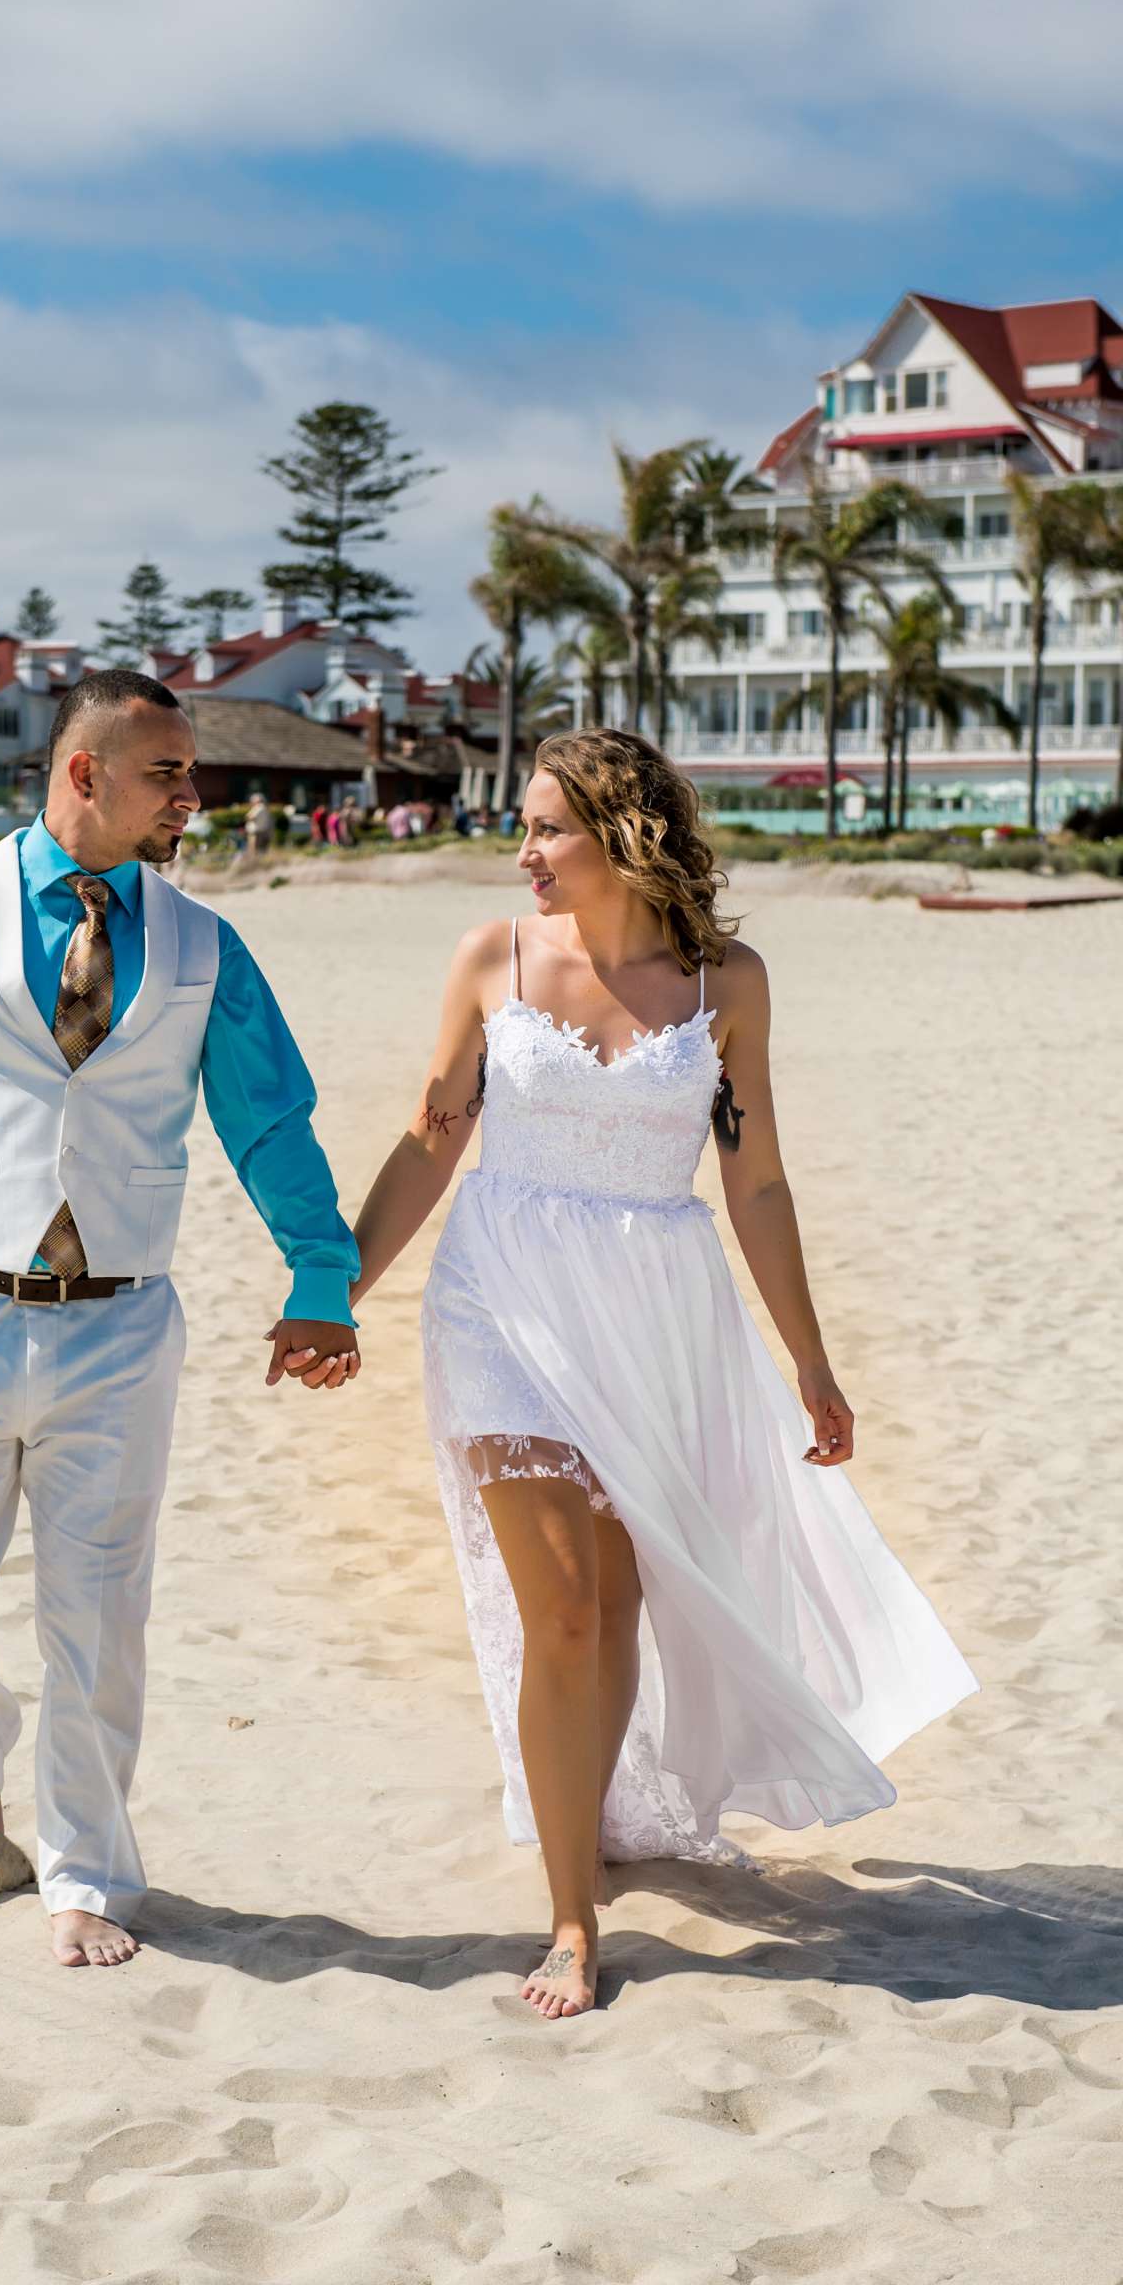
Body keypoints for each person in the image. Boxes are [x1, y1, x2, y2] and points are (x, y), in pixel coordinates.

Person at [349, 728, 975, 2021]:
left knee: (626, 1597)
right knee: (566, 1607)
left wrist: (811, 1360)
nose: (522, 853)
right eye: (519, 829)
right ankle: (574, 1920)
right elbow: (430, 1140)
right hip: (502, 1299)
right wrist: (327, 1290)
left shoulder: (726, 983)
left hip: (657, 1311)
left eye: (544, 830)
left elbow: (756, 1179)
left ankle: (604, 1814)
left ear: (622, 833)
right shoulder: (493, 958)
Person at [0, 672, 362, 1972]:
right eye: (168, 770)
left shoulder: (208, 946)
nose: (192, 792)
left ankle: (86, 1874)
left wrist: (316, 1279)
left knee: (100, 1618)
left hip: (119, 1325)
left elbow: (269, 1122)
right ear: (83, 775)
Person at [243, 789, 273, 857]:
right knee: (259, 850)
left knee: (256, 851)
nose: (251, 802)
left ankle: (256, 862)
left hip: (258, 833)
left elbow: (249, 817)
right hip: (258, 832)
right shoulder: (261, 808)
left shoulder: (259, 808)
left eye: (252, 801)